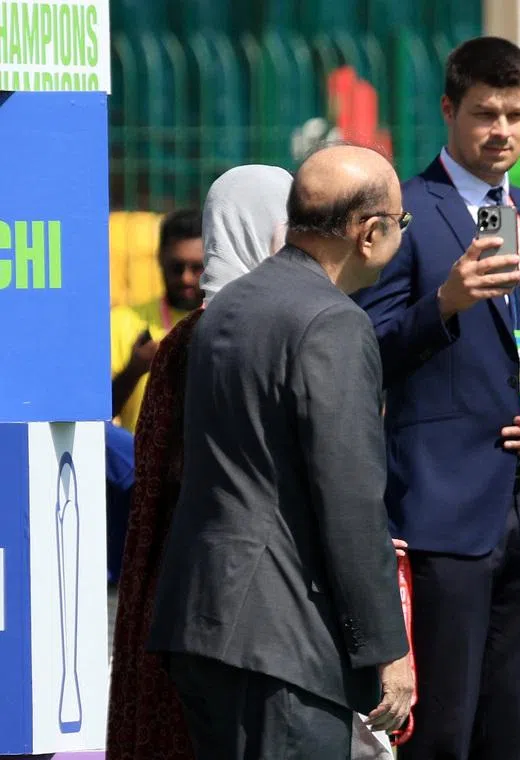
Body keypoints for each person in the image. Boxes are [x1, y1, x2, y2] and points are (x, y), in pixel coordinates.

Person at [352, 37, 520, 760]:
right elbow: (364, 353)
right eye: (487, 113)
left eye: (517, 114)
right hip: (442, 511)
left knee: (515, 732)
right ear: (450, 109)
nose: (504, 131)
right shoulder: (404, 214)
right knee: (442, 735)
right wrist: (443, 305)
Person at [148, 146, 414, 759]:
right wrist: (387, 648)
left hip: (206, 622)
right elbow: (349, 500)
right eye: (400, 223)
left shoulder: (227, 307)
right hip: (284, 638)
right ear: (369, 233)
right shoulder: (332, 321)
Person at [107, 165, 292, 760]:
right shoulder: (243, 334)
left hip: (177, 585)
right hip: (249, 599)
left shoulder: (198, 336)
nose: (188, 277)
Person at [109, 209, 204, 433]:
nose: (186, 278)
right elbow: (100, 414)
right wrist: (134, 370)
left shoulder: (228, 320)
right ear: (159, 259)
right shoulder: (122, 321)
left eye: (197, 268)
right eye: (176, 267)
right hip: (142, 464)